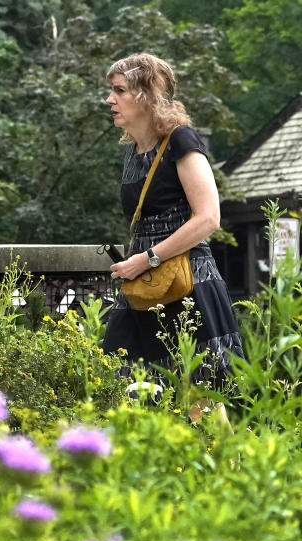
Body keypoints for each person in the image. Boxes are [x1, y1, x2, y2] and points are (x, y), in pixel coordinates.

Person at [102, 53, 244, 390]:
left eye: (119, 90)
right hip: (143, 284)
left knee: (201, 396)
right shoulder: (132, 151)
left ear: (147, 95)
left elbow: (209, 217)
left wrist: (148, 258)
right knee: (119, 381)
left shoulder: (180, 139)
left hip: (187, 281)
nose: (110, 99)